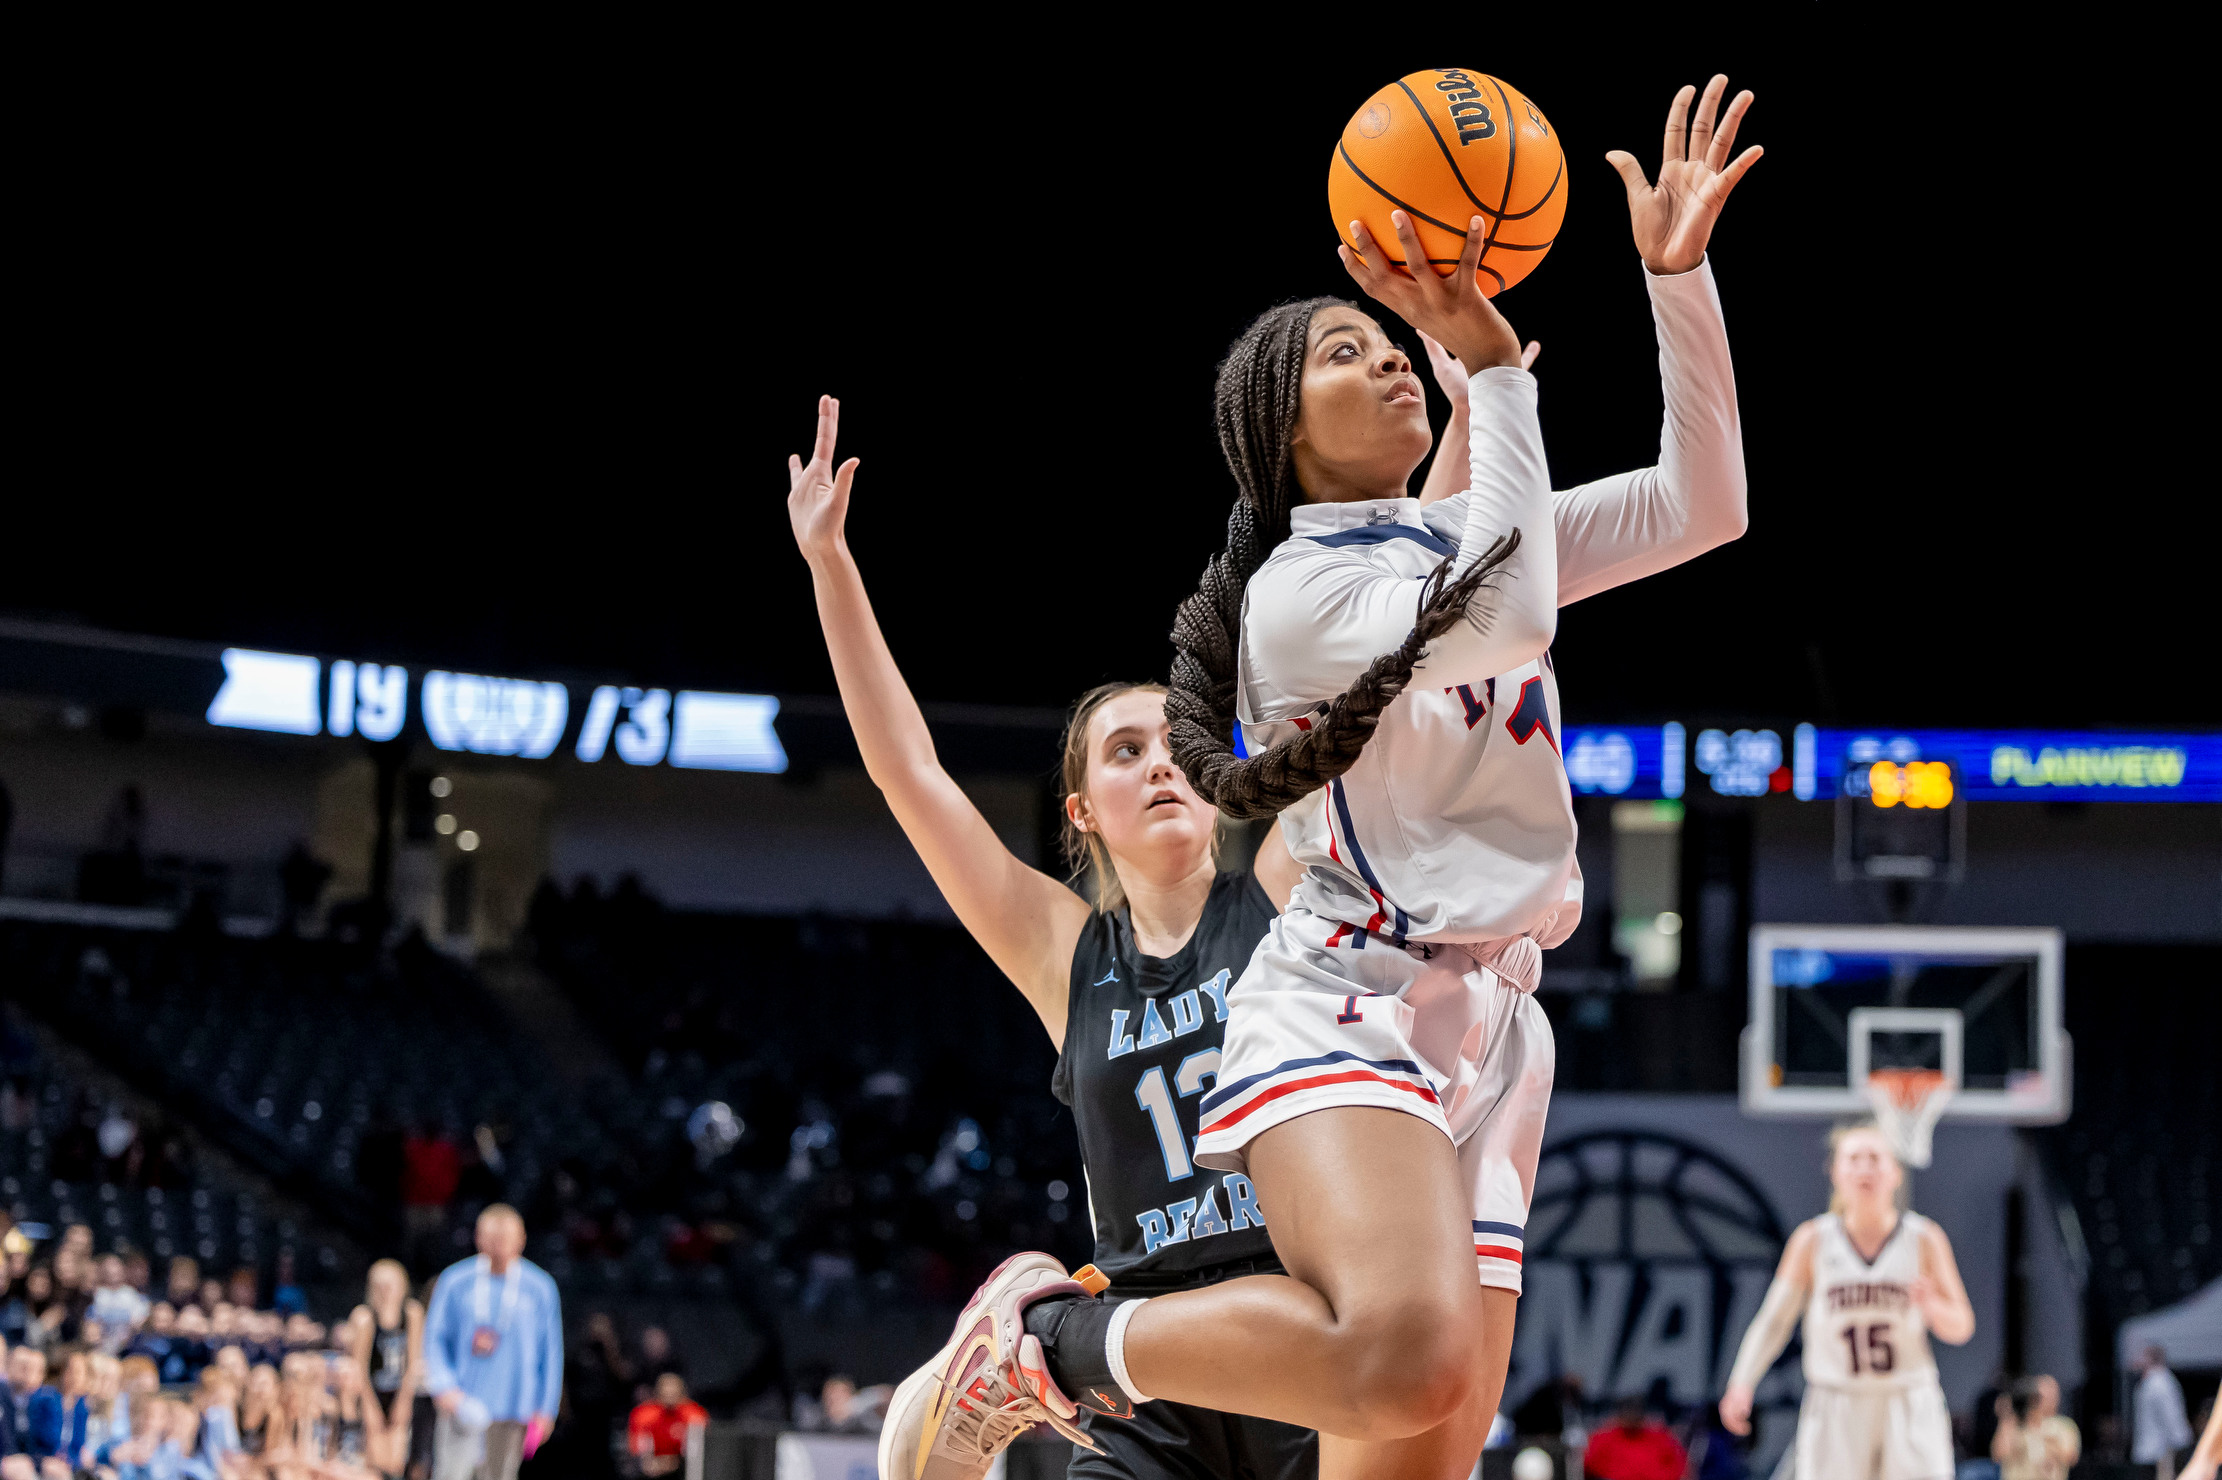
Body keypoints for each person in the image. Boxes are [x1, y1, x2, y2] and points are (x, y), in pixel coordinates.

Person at [880, 72, 1759, 1480]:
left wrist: (1676, 278)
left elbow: (1699, 504)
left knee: (1423, 1446)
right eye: (1352, 353)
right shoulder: (1302, 590)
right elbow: (1518, 609)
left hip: (1496, 1021)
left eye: (1393, 347)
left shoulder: (1460, 542)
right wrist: (1497, 370)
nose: (1395, 360)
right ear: (1284, 436)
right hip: (1347, 1003)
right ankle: (1049, 1350)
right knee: (1401, 1354)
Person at [787, 382, 1324, 1480]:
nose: (1159, 761)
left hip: (1291, 1335)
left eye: (1175, 741)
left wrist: (1466, 428)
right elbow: (909, 773)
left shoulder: (1280, 890)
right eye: (1123, 752)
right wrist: (830, 568)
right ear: (1081, 810)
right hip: (1141, 1373)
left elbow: (1392, 687)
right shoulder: (1066, 952)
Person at [1720, 1121, 1975, 1480]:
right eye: (1854, 1159)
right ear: (1835, 1172)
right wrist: (1742, 1381)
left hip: (1907, 1396)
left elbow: (1962, 1326)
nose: (1864, 1169)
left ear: (1896, 1173)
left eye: (1874, 1159)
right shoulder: (1812, 1240)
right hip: (1835, 1398)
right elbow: (1775, 1321)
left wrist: (1933, 1307)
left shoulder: (1924, 1238)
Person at [420, 1205, 561, 1480]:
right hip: (462, 1403)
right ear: (478, 1238)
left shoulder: (540, 1286)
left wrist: (546, 1409)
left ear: (521, 1240)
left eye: (506, 1240)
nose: (499, 1247)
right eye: (492, 1239)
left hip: (514, 1407)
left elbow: (551, 1352)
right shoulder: (455, 1280)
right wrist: (444, 1388)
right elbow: (434, 1339)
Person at [348, 1257, 423, 1475]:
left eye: (391, 1285)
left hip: (399, 1391)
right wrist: (369, 1408)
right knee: (375, 1460)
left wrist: (405, 1400)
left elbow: (413, 1361)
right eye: (380, 1286)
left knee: (396, 1461)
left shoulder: (412, 1314)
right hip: (372, 1392)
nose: (386, 1291)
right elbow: (359, 1367)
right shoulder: (364, 1318)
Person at [1992, 1376, 2078, 1480]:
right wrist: (2006, 1415)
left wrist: (2045, 1437)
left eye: (2052, 1395)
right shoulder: (2013, 1425)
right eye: (2039, 1396)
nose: (2047, 1400)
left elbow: (2070, 1457)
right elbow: (1999, 1455)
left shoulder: (2063, 1425)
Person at [1582, 1397, 1687, 1480]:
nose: (1632, 1416)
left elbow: (1681, 1469)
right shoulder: (1603, 1438)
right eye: (1628, 1412)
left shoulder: (1661, 1438)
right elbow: (1588, 1467)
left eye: (1636, 1412)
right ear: (1619, 1414)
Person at [626, 1373, 707, 1478]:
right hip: (651, 1467)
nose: (670, 1393)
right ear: (657, 1392)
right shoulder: (643, 1415)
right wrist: (653, 1463)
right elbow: (638, 1449)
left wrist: (673, 1463)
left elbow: (697, 1450)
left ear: (682, 1392)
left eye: (674, 1390)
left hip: (683, 1467)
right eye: (666, 1390)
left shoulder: (693, 1413)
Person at [2136, 1346, 2197, 1480]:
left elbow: (2172, 1416)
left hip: (2160, 1454)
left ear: (2151, 1358)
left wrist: (2183, 1445)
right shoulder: (2152, 1381)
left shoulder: (2160, 1382)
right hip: (2152, 1453)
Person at [0, 1347, 61, 1467]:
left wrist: (35, 1460)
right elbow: (6, 1439)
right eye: (22, 1367)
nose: (26, 1374)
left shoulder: (30, 1399)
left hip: (22, 1457)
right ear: (8, 1365)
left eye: (28, 1368)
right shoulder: (3, 1393)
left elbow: (31, 1441)